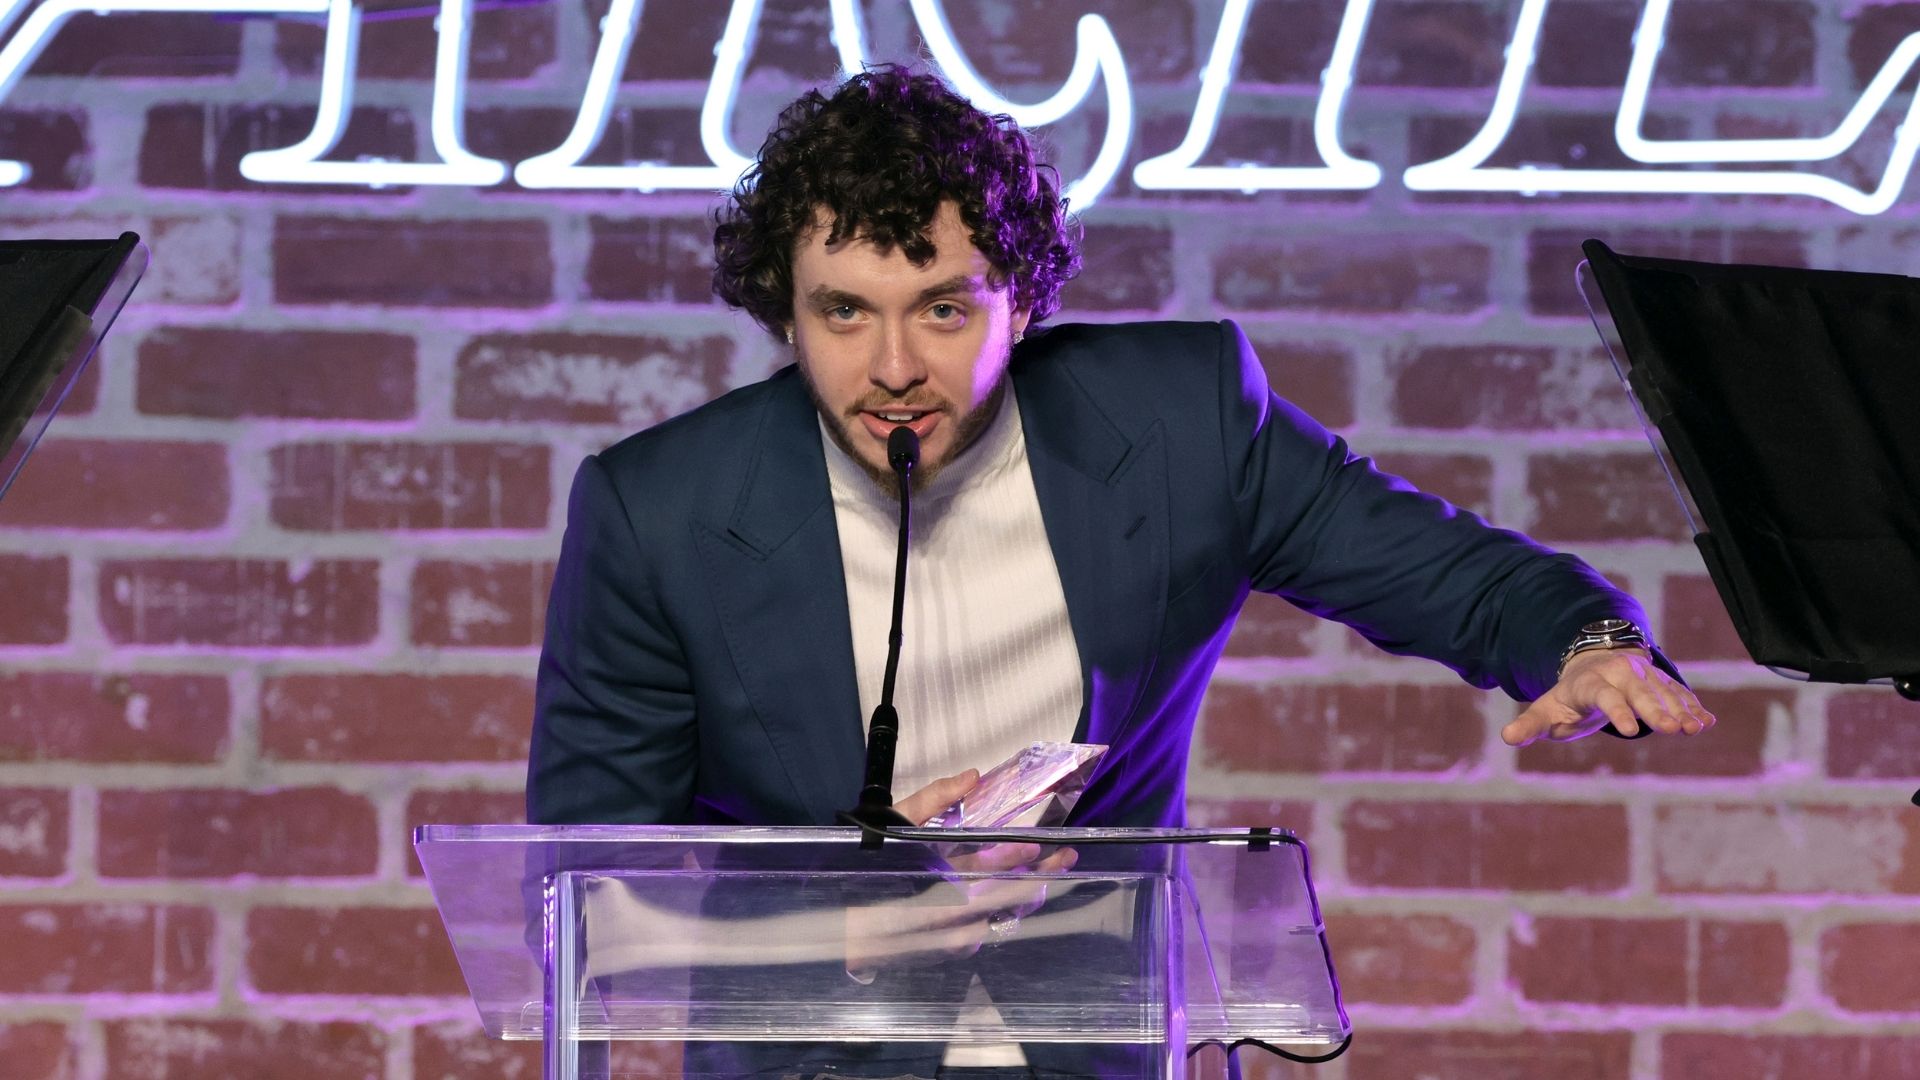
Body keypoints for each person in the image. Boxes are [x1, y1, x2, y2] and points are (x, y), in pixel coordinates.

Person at [524, 64, 1714, 1078]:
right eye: (844, 312)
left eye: (944, 310)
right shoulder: (658, 513)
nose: (891, 365)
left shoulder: (1181, 422)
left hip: (1100, 1042)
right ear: (782, 311)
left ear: (1023, 300)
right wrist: (852, 920)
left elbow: (1466, 576)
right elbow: (579, 905)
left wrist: (1589, 643)